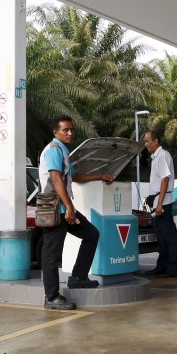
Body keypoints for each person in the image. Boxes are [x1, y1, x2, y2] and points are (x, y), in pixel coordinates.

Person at [39, 115, 114, 310]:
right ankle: (52, 297)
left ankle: (78, 277)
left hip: (64, 207)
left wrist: (100, 175)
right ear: (56, 132)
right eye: (65, 130)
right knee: (52, 254)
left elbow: (74, 175)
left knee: (91, 234)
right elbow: (56, 180)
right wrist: (70, 208)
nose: (70, 133)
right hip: (54, 208)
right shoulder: (54, 150)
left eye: (72, 129)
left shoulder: (63, 151)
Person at [142, 130, 177, 278]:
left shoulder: (163, 155)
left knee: (170, 237)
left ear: (156, 141)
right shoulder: (155, 157)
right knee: (161, 237)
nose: (146, 144)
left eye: (147, 141)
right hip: (157, 202)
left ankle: (173, 269)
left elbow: (165, 179)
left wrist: (159, 204)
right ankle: (162, 266)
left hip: (163, 203)